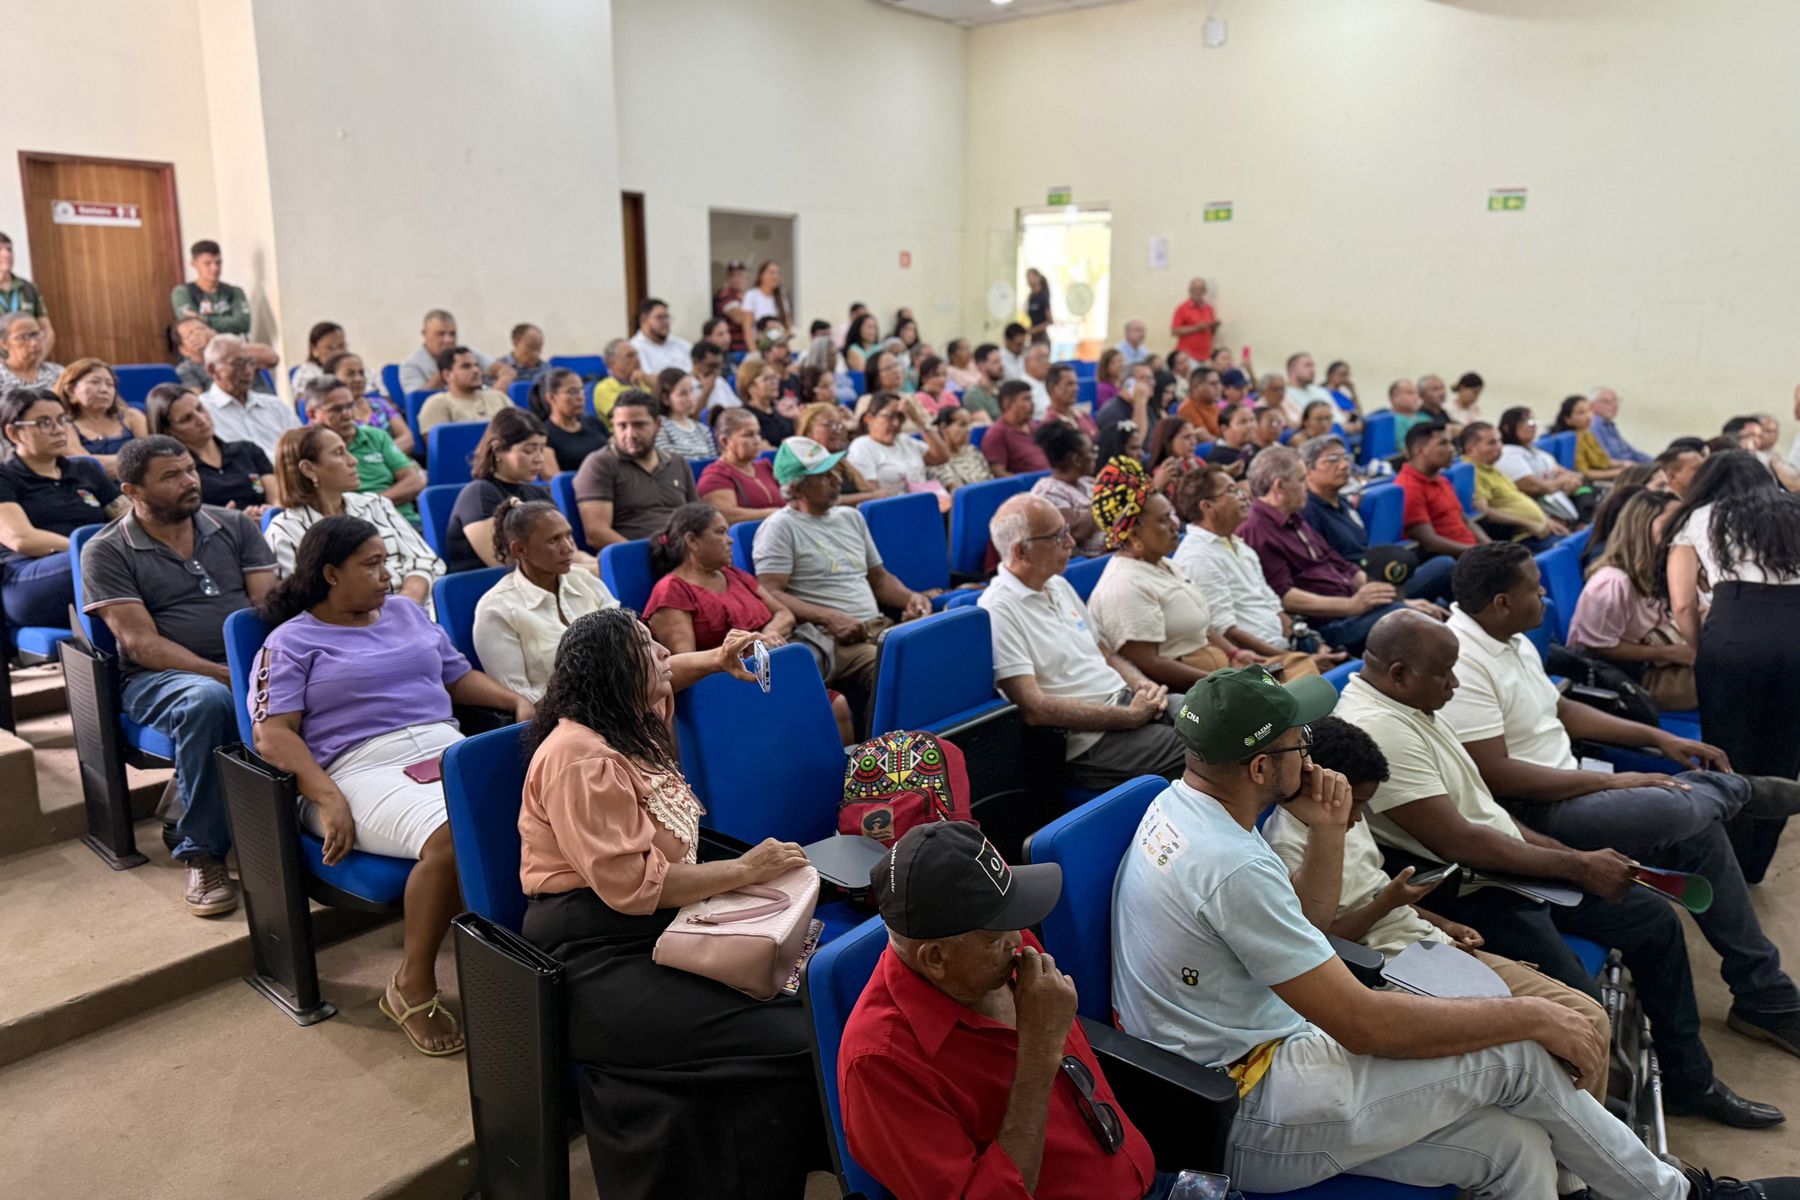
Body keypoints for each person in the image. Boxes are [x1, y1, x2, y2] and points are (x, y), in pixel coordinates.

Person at [1116, 665, 1796, 1198]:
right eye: (1300, 743)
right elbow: (1363, 1026)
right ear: (1262, 768)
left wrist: (1326, 831)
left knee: (1515, 1149)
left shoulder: (1185, 808)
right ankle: (1680, 1197)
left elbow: (1307, 931)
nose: (1312, 753)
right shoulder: (1231, 864)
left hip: (1253, 1065)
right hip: (1249, 1103)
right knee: (1520, 1051)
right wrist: (1529, 1014)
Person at [1337, 609, 1794, 1125]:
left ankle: (1690, 1081)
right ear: (1398, 672)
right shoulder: (1380, 727)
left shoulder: (1409, 701)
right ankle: (1597, 1138)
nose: (1453, 685)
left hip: (1503, 866)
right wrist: (1576, 866)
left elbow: (1489, 814)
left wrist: (1567, 858)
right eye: (1444, 675)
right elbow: (1462, 842)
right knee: (1584, 1005)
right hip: (1470, 892)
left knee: (1655, 921)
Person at [517, 608, 828, 1199]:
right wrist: (743, 869)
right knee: (792, 1031)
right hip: (598, 948)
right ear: (615, 671)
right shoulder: (582, 758)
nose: (662, 651)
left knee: (810, 998)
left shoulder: (629, 713)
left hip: (664, 919)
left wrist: (714, 659)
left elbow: (669, 671)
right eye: (647, 646)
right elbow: (634, 888)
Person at [1442, 544, 1800, 1052]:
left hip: (1571, 783)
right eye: (1533, 587)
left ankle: (1765, 996)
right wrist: (1611, 783)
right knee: (1673, 802)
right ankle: (1739, 790)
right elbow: (1497, 775)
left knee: (1698, 828)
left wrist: (1657, 738)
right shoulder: (1459, 656)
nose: (1544, 593)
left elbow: (1559, 709)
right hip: (1534, 815)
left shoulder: (1512, 638)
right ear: (1501, 602)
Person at [252, 515, 530, 1056]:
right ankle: (411, 985)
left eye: (387, 562)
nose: (388, 575)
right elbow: (272, 736)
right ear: (330, 573)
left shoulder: (405, 613)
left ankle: (531, 956)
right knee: (452, 837)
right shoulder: (290, 641)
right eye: (372, 565)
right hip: (357, 769)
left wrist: (513, 699)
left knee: (545, 806)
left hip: (442, 747)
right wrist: (325, 795)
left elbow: (455, 676)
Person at [1270, 717, 1614, 1104]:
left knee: (1588, 1017)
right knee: (1576, 1027)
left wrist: (1444, 923)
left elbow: (1377, 891)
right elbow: (1321, 945)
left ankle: (1588, 1123)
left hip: (1427, 942)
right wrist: (1390, 901)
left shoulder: (1348, 815)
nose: (1359, 818)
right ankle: (1580, 1136)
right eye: (1359, 804)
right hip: (1393, 967)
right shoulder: (1287, 848)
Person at [841, 822, 1163, 1200]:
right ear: (936, 959)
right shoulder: (880, 1063)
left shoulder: (995, 947)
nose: (1020, 938)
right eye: (997, 936)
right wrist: (1039, 1055)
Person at [81, 436, 279, 916]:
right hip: (157, 677)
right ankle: (202, 851)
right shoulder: (106, 550)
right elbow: (140, 645)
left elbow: (268, 609)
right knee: (208, 700)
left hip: (243, 661)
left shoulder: (232, 524)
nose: (190, 481)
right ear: (132, 490)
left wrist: (267, 666)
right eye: (171, 476)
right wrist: (227, 674)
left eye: (190, 469)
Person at [980, 494, 1185, 789]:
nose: (1071, 543)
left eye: (1066, 531)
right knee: (1214, 748)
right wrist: (1127, 717)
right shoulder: (998, 609)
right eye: (1057, 536)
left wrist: (1141, 684)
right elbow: (1035, 708)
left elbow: (1106, 654)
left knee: (1222, 717)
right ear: (1021, 552)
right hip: (1092, 740)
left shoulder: (1057, 583)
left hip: (1127, 704)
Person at [1667, 450, 1800, 884]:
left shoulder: (1702, 515)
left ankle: (1727, 862)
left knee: (1727, 756)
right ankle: (1756, 866)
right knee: (1784, 755)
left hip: (1733, 635)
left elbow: (1683, 601)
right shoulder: (1795, 510)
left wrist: (1698, 646)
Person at [753, 438, 929, 699]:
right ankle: (887, 739)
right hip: (830, 638)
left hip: (876, 626)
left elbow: (879, 578)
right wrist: (828, 617)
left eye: (834, 471)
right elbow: (769, 591)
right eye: (824, 476)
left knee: (934, 650)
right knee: (891, 666)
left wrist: (911, 598)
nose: (837, 479)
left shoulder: (851, 516)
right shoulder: (780, 527)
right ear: (797, 487)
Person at [1086, 458, 1269, 689]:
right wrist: (1226, 681)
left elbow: (1201, 625)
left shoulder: (1163, 564)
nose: (1175, 525)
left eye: (1171, 514)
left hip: (1220, 671)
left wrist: (1233, 653)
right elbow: (1150, 665)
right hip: (1196, 692)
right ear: (1133, 536)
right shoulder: (1123, 585)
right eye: (1163, 520)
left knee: (1302, 673)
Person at [1240, 448, 1440, 655]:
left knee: (1422, 606)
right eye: (1301, 480)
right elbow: (1284, 596)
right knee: (1406, 621)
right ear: (1279, 486)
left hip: (1351, 606)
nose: (1306, 488)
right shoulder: (1257, 530)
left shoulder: (1293, 516)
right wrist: (1351, 605)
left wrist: (1393, 599)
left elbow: (1339, 563)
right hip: (1330, 623)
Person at [267, 427, 443, 608]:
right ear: (309, 469)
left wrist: (408, 600)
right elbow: (305, 600)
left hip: (416, 611)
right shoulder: (285, 531)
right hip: (349, 629)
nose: (353, 460)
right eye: (339, 453)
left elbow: (426, 560)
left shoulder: (375, 504)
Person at [0, 387, 128, 629]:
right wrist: (93, 549)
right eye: (43, 422)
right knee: (99, 563)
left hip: (97, 562)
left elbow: (127, 516)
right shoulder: (5, 476)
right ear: (13, 432)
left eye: (62, 420)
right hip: (27, 575)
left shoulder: (84, 468)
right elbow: (21, 539)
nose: (59, 429)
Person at [472, 499, 619, 704]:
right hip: (561, 714)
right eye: (554, 540)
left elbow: (625, 638)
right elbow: (518, 693)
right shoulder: (496, 609)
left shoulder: (584, 579)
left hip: (620, 694)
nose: (568, 548)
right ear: (520, 550)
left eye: (568, 535)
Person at [1568, 488, 1692, 706]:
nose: (1681, 529)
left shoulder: (1659, 567)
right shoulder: (1612, 582)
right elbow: (1598, 648)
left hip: (1653, 659)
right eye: (1671, 522)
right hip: (1624, 676)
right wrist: (1670, 653)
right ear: (1642, 527)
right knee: (1725, 679)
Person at [1300, 436, 1456, 603]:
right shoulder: (1308, 511)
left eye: (1346, 458)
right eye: (1332, 460)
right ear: (1308, 470)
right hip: (1355, 592)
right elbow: (1326, 568)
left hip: (1375, 576)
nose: (1344, 465)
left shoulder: (1343, 503)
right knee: (1444, 567)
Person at [574, 391, 699, 548]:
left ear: (658, 425)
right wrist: (644, 554)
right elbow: (596, 533)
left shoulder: (677, 462)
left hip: (686, 551)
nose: (630, 434)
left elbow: (697, 518)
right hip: (640, 557)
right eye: (622, 426)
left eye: (639, 425)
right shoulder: (600, 464)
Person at [444, 409, 554, 573]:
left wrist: (595, 565)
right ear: (497, 450)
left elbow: (567, 551)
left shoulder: (539, 493)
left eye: (542, 449)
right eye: (529, 450)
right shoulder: (478, 495)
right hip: (492, 592)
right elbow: (506, 564)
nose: (539, 458)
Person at [146, 383, 276, 521]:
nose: (201, 419)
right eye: (187, 419)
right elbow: (186, 524)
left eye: (200, 408)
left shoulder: (248, 450)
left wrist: (268, 514)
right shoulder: (179, 472)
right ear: (168, 431)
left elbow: (277, 498)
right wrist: (235, 523)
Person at [303, 375, 423, 522]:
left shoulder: (376, 436)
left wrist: (370, 504)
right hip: (349, 529)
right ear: (312, 414)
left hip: (403, 521)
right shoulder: (304, 448)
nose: (347, 414)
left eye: (350, 406)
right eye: (336, 409)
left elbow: (414, 481)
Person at [1461, 421, 1566, 550]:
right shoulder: (1471, 472)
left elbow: (1516, 500)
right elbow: (1483, 512)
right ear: (1471, 448)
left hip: (1539, 530)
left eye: (1500, 441)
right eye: (1492, 443)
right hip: (1522, 538)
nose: (1499, 447)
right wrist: (1529, 524)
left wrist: (1545, 520)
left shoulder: (1491, 468)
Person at [1396, 423, 1487, 559]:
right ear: (1420, 450)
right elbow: (1431, 542)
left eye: (1450, 443)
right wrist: (1477, 553)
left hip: (1471, 553)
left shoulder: (1440, 479)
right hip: (1454, 561)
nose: (1451, 449)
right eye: (1443, 444)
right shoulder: (1409, 487)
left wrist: (1489, 547)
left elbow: (1465, 521)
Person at [200, 334, 296, 458]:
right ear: (212, 370)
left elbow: (301, 445)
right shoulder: (203, 412)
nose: (248, 371)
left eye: (250, 363)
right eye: (238, 364)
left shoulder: (274, 405)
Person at [847, 392, 949, 498]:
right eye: (889, 416)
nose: (896, 423)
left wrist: (920, 422)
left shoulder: (904, 440)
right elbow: (873, 494)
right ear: (869, 419)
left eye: (900, 417)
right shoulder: (862, 447)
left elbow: (942, 457)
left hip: (922, 502)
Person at [1497, 406, 1585, 524]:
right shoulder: (1508, 454)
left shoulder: (1538, 452)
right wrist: (1562, 481)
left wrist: (1569, 480)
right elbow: (1537, 488)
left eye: (1534, 421)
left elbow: (1571, 476)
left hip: (1559, 505)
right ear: (1507, 428)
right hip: (1536, 515)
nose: (1532, 425)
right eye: (1526, 421)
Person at [1029, 422, 1105, 557]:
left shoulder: (1087, 482)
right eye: (1092, 451)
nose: (1095, 456)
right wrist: (1107, 503)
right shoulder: (1048, 493)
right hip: (1087, 563)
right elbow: (1075, 534)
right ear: (1076, 459)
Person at [56, 359, 144, 474]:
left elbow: (151, 459)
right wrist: (138, 463)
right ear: (71, 390)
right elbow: (84, 466)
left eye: (110, 384)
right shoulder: (62, 426)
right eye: (95, 382)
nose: (104, 389)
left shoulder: (133, 416)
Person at [398, 309, 514, 395]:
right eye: (441, 334)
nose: (449, 340)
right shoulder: (411, 365)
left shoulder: (466, 354)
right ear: (424, 334)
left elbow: (506, 370)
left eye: (452, 334)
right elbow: (416, 401)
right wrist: (446, 365)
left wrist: (497, 392)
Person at [697, 409, 782, 524]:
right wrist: (775, 513)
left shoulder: (765, 467)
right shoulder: (715, 475)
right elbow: (725, 515)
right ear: (725, 441)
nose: (757, 440)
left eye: (758, 433)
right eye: (748, 435)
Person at [324, 350, 413, 456]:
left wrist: (382, 456)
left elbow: (407, 438)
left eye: (361, 373)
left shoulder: (380, 404)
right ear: (332, 378)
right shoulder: (332, 414)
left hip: (398, 463)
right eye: (350, 374)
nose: (358, 379)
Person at [520, 365, 605, 475]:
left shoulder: (595, 423)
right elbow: (554, 479)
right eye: (572, 392)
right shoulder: (543, 435)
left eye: (581, 390)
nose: (580, 397)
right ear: (551, 398)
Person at [418, 346, 512, 434]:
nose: (476, 370)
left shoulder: (499, 397)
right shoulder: (437, 404)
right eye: (466, 366)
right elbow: (441, 446)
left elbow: (521, 431)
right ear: (447, 375)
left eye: (476, 365)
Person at [170, 240, 251, 335]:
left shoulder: (235, 291)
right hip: (202, 349)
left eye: (218, 262)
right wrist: (228, 321)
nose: (215, 268)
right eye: (207, 263)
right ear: (194, 264)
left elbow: (243, 324)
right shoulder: (182, 292)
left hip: (232, 347)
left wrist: (203, 320)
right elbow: (191, 327)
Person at [981, 381, 1049, 477]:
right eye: (1026, 399)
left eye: (1031, 399)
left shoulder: (1036, 426)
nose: (1032, 404)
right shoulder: (996, 434)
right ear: (1008, 404)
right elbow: (999, 473)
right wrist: (1025, 484)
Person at [0, 231, 52, 357]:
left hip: (29, 363)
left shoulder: (28, 288)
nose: (7, 254)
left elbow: (47, 330)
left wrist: (37, 361)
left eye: (9, 249)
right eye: (0, 249)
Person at [1551, 394, 1623, 482]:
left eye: (1590, 410)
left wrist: (1624, 464)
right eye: (1581, 413)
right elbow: (1584, 473)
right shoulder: (1569, 441)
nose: (1589, 416)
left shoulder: (1588, 435)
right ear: (1568, 419)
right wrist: (1619, 473)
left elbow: (1604, 460)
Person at [652, 368, 715, 463]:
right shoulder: (660, 427)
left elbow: (713, 463)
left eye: (692, 391)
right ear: (665, 398)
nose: (691, 398)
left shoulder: (703, 429)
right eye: (683, 394)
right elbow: (669, 464)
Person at [927, 405, 993, 493]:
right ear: (944, 428)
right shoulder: (938, 462)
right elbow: (957, 493)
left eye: (969, 425)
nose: (968, 430)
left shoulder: (973, 450)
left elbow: (990, 479)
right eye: (963, 425)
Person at [629, 297, 693, 377]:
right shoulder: (634, 348)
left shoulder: (682, 344)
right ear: (643, 319)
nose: (665, 322)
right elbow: (648, 379)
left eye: (667, 317)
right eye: (659, 318)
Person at [735, 357, 793, 447]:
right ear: (750, 387)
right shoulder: (744, 416)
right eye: (767, 379)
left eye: (774, 377)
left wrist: (797, 418)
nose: (774, 382)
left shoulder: (780, 410)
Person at [0, 312, 61, 391]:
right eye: (24, 337)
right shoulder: (2, 377)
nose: (34, 343)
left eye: (36, 334)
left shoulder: (57, 373)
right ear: (4, 343)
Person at [1588, 386, 1650, 464]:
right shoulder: (1593, 426)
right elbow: (1605, 459)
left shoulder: (1609, 425)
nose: (1614, 405)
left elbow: (1631, 452)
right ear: (1591, 405)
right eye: (1606, 402)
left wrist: (1657, 462)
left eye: (1615, 401)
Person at [593, 338, 645, 421]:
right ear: (612, 363)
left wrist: (648, 378)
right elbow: (627, 415)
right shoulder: (604, 388)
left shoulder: (643, 381)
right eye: (630, 356)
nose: (637, 360)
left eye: (636, 355)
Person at [1170, 276, 1219, 363]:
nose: (1198, 292)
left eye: (1201, 289)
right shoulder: (1182, 308)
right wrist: (1198, 327)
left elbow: (1211, 332)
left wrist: (1214, 326)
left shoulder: (1209, 308)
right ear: (1190, 291)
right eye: (1195, 289)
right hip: (1188, 356)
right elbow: (1174, 331)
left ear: (1205, 291)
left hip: (1205, 355)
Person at [290, 321, 347, 394]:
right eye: (331, 348)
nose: (339, 352)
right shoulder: (306, 375)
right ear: (314, 349)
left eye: (342, 346)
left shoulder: (355, 370)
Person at [1041, 364, 1096, 438]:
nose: (1076, 389)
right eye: (1069, 384)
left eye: (1076, 384)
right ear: (1052, 388)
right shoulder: (1050, 427)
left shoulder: (1083, 416)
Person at [960, 343, 1006, 423]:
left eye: (1001, 361)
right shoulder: (973, 395)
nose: (1001, 365)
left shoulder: (1004, 389)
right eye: (995, 362)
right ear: (981, 366)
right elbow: (988, 427)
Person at [1205, 404, 1256, 475]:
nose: (1251, 426)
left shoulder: (1252, 448)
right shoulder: (1221, 458)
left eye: (1252, 420)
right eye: (1243, 422)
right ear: (1224, 429)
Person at [1176, 366, 1222, 439]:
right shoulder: (1187, 409)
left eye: (1219, 383)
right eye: (1213, 384)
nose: (1218, 387)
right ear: (1196, 387)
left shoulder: (1214, 405)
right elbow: (1205, 438)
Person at [172, 317, 215, 390]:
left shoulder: (231, 352)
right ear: (184, 350)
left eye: (201, 329)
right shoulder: (186, 369)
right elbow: (196, 398)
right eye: (190, 335)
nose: (198, 334)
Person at [1386, 378, 1430, 446]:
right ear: (1395, 398)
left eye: (1417, 393)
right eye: (1410, 393)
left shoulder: (1425, 417)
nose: (1417, 397)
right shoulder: (1391, 421)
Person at [1021, 343, 1052, 420]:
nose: (1046, 362)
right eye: (1041, 358)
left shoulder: (1051, 383)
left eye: (1047, 358)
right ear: (1027, 361)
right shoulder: (1021, 388)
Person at [1023, 267, 1052, 340]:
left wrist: (1033, 330)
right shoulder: (1031, 297)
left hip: (1042, 338)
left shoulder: (1043, 296)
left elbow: (1050, 321)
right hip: (1033, 338)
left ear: (1038, 278)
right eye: (1027, 277)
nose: (1028, 279)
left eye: (1030, 276)